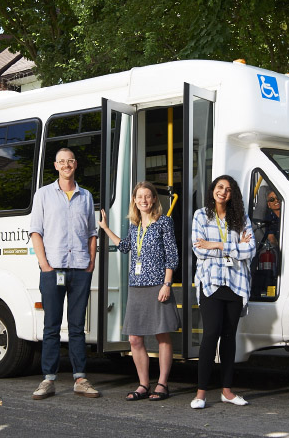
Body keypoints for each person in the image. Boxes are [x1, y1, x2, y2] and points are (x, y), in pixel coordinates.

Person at [98, 181, 179, 401]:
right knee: (134, 338)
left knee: (162, 335)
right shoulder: (134, 226)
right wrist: (105, 229)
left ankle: (162, 383)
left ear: (154, 199)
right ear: (134, 200)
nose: (143, 200)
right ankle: (143, 384)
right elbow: (125, 247)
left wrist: (167, 284)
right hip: (137, 286)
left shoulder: (164, 222)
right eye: (139, 196)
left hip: (157, 285)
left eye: (147, 196)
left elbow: (172, 256)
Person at [30, 148, 99, 400]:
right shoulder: (44, 195)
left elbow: (92, 233)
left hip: (80, 269)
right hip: (54, 269)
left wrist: (91, 263)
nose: (66, 165)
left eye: (70, 161)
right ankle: (48, 380)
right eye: (62, 161)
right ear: (56, 166)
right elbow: (36, 231)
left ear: (75, 165)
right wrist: (45, 265)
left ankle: (80, 378)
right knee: (51, 326)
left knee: (78, 327)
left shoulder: (86, 196)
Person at [190, 175, 256, 409]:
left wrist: (216, 245)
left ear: (233, 194)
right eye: (220, 187)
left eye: (228, 189)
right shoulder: (200, 215)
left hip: (236, 283)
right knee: (210, 336)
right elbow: (199, 250)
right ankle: (200, 394)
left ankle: (226, 391)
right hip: (211, 282)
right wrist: (234, 248)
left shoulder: (241, 218)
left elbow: (250, 250)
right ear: (213, 190)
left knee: (229, 338)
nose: (223, 192)